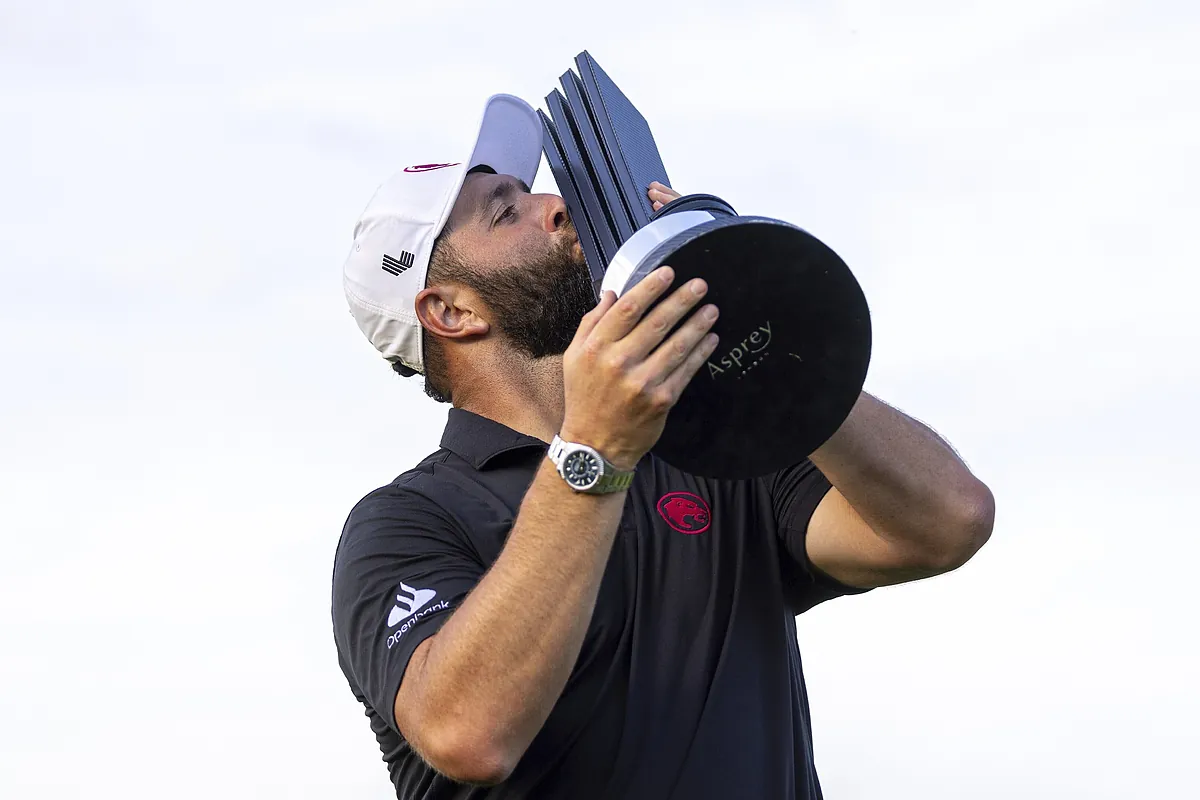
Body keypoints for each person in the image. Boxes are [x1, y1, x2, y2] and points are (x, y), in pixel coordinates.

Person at [332, 94, 995, 799]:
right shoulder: (405, 524)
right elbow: (469, 731)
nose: (556, 206)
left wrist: (757, 317)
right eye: (506, 211)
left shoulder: (710, 443)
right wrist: (595, 453)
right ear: (451, 311)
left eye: (530, 192)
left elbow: (948, 523)